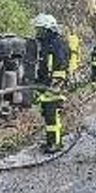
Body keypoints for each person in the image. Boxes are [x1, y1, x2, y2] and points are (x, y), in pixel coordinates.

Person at [32, 14, 67, 152]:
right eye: (37, 29)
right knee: (47, 114)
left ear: (48, 29)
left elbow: (60, 64)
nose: (38, 32)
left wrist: (55, 84)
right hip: (45, 84)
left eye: (40, 29)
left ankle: (56, 144)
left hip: (53, 86)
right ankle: (50, 141)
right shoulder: (44, 43)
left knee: (52, 115)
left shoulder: (56, 43)